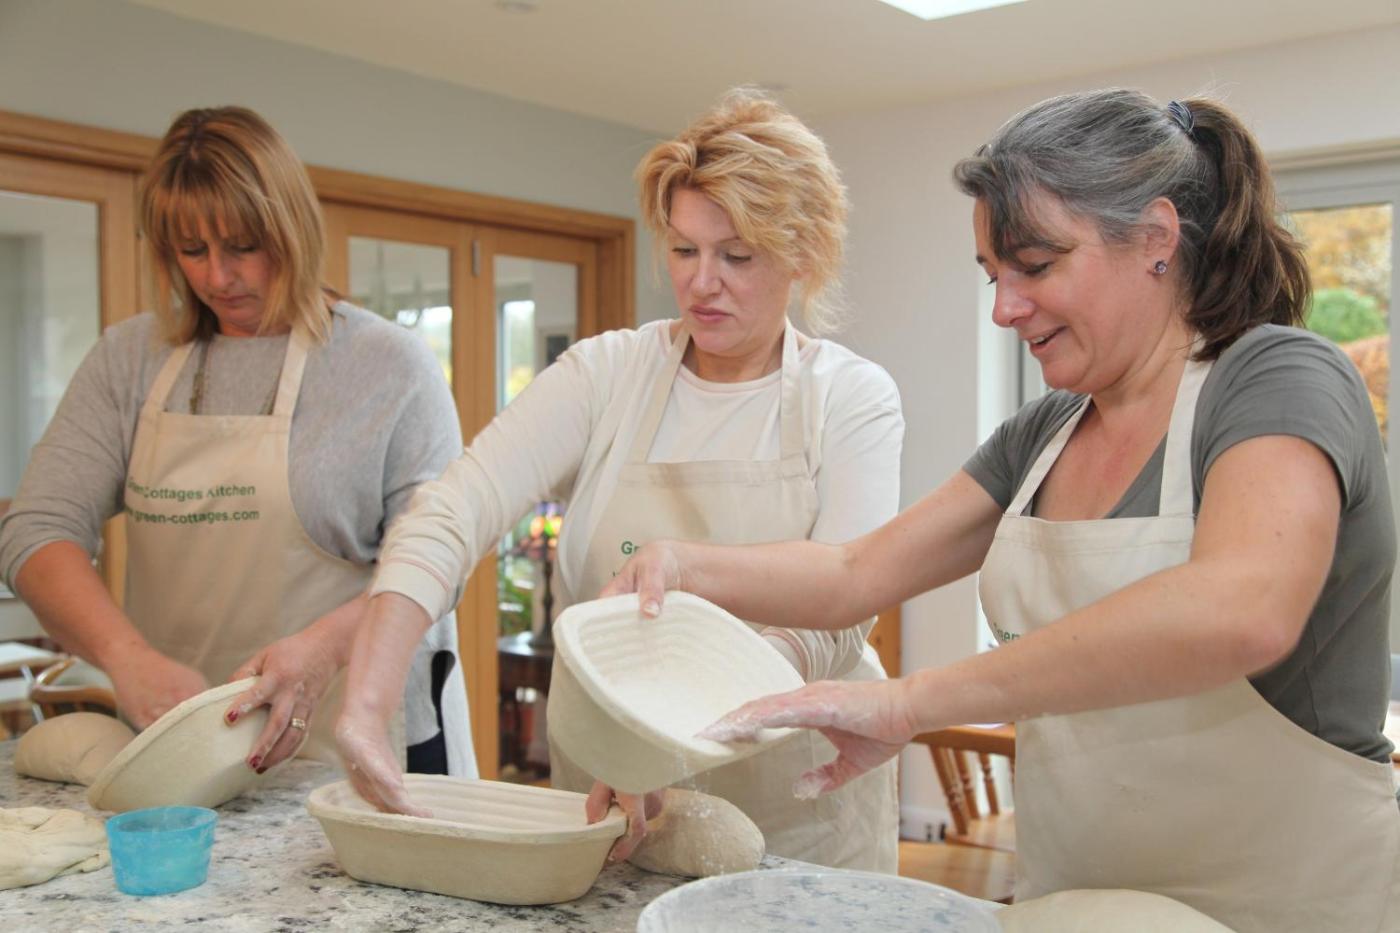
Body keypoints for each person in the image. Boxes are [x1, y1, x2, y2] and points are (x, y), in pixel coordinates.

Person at [605, 89, 1400, 932]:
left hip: (1290, 909)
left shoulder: (1280, 379)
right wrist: (682, 565)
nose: (1004, 308)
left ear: (1157, 239)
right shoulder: (1046, 434)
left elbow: (1241, 608)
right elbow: (853, 571)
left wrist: (909, 702)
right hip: (1078, 902)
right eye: (994, 275)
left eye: (1037, 265)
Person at [334, 88, 904, 872]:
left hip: (797, 817)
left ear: (802, 255)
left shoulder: (850, 396)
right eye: (684, 250)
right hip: (610, 808)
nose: (702, 282)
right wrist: (369, 699)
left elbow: (837, 616)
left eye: (737, 256)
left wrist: (663, 735)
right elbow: (454, 511)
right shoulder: (606, 375)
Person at [0, 107, 475, 778]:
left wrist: (321, 649)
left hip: (356, 736)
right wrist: (125, 658)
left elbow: (439, 561)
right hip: (180, 745)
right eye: (192, 251)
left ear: (292, 230)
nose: (218, 277)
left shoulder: (390, 366)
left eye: (243, 246)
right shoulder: (129, 360)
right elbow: (37, 531)